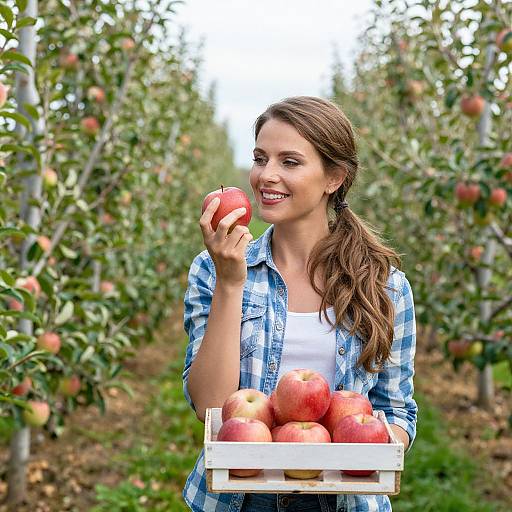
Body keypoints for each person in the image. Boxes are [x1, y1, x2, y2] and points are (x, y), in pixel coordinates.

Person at [182, 96, 418, 512]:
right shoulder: (214, 268)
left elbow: (396, 410)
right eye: (260, 158)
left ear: (334, 178)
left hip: (344, 501)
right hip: (237, 498)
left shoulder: (384, 285)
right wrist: (230, 283)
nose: (265, 176)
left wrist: (371, 452)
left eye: (289, 162)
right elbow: (210, 407)